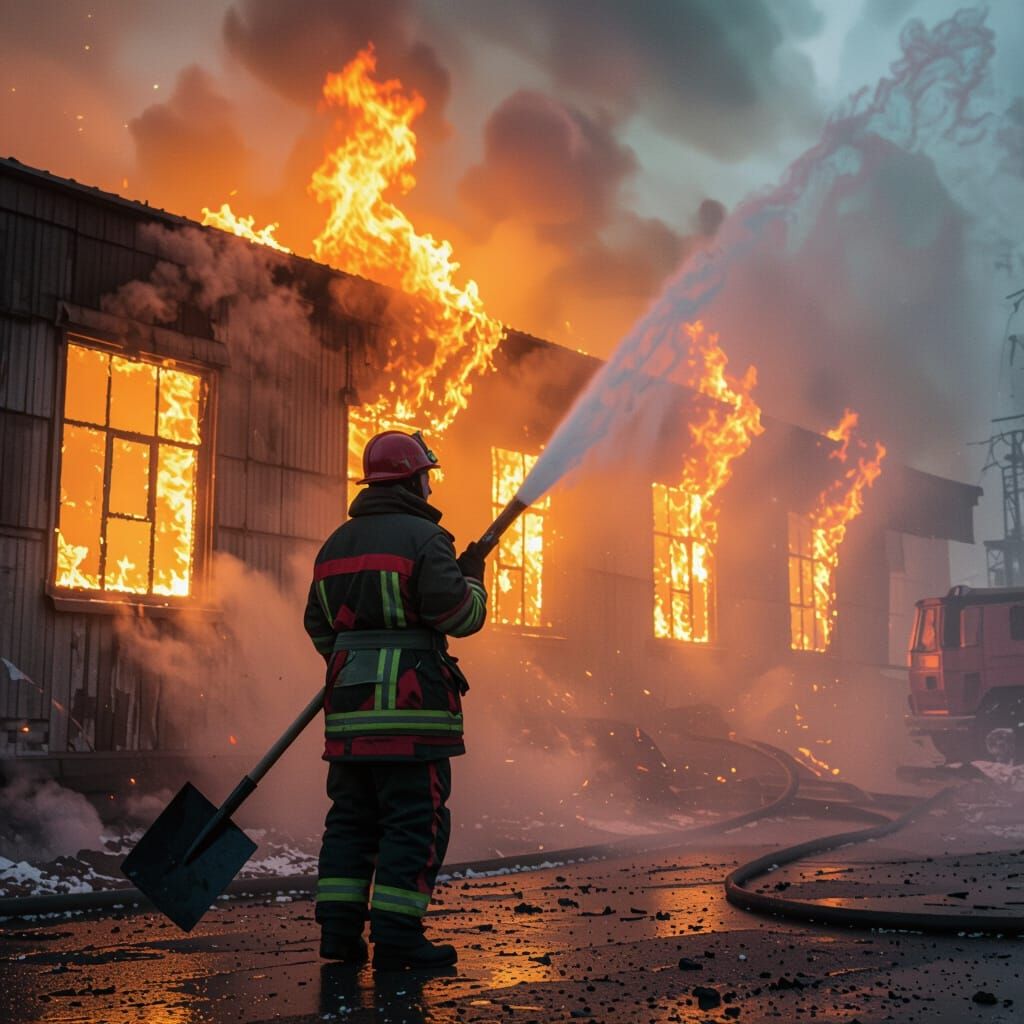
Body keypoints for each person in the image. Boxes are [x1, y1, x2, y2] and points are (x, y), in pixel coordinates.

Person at [303, 429, 488, 970]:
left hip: (349, 719)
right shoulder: (427, 541)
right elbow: (458, 616)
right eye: (426, 477)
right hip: (414, 715)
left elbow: (318, 627)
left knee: (352, 820)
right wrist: (473, 582)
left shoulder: (334, 544)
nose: (430, 488)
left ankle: (339, 934)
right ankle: (398, 935)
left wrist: (352, 664)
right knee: (414, 821)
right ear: (413, 480)